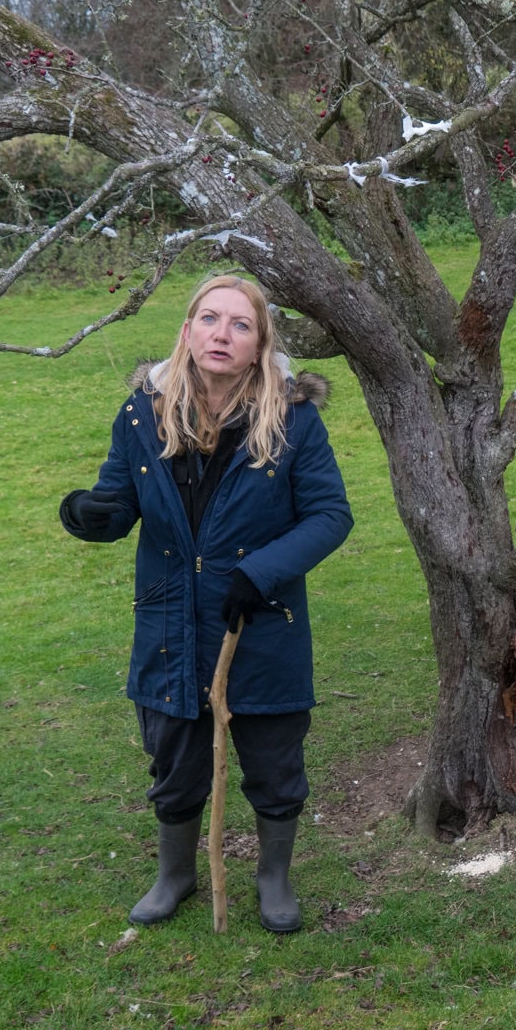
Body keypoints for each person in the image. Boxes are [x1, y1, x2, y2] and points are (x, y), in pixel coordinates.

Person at [60, 274, 353, 933]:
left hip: (259, 621)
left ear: (260, 342)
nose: (222, 335)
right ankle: (175, 875)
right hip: (171, 621)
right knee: (174, 757)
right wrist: (89, 513)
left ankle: (273, 879)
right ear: (188, 330)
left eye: (241, 324)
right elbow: (119, 502)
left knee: (275, 760)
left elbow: (331, 516)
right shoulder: (143, 414)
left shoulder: (294, 421)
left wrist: (263, 572)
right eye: (210, 319)